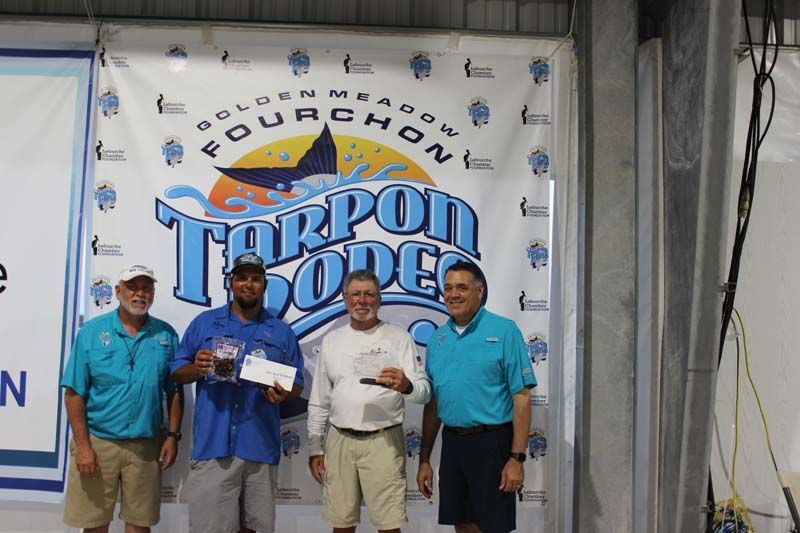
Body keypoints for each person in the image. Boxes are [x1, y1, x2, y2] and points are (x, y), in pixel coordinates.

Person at [171, 252, 304, 533]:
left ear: (264, 285)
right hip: (213, 446)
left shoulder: (281, 332)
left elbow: (297, 384)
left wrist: (283, 393)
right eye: (242, 277)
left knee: (256, 529)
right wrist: (198, 368)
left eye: (256, 279)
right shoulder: (204, 323)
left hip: (259, 448)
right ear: (231, 283)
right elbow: (177, 371)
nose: (248, 284)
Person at [61, 264, 183, 532]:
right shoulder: (91, 332)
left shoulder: (166, 335)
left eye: (146, 288)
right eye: (132, 287)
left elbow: (175, 391)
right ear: (117, 291)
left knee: (140, 525)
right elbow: (74, 393)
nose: (140, 294)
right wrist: (83, 446)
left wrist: (172, 436)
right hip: (98, 443)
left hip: (145, 446)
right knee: (94, 525)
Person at [307, 269, 431, 533]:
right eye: (355, 294)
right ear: (344, 299)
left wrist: (407, 386)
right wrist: (315, 447)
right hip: (339, 440)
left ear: (379, 299)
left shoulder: (399, 338)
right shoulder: (332, 340)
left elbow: (424, 392)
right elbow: (319, 399)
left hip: (384, 442)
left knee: (389, 526)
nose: (362, 301)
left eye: (369, 294)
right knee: (341, 524)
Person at [416, 261, 536, 533]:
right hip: (453, 444)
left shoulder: (505, 331)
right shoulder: (438, 339)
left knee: (494, 527)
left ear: (479, 292)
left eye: (462, 287)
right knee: (463, 525)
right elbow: (433, 404)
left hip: (492, 443)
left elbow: (521, 397)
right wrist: (424, 459)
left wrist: (516, 459)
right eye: (448, 288)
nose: (453, 294)